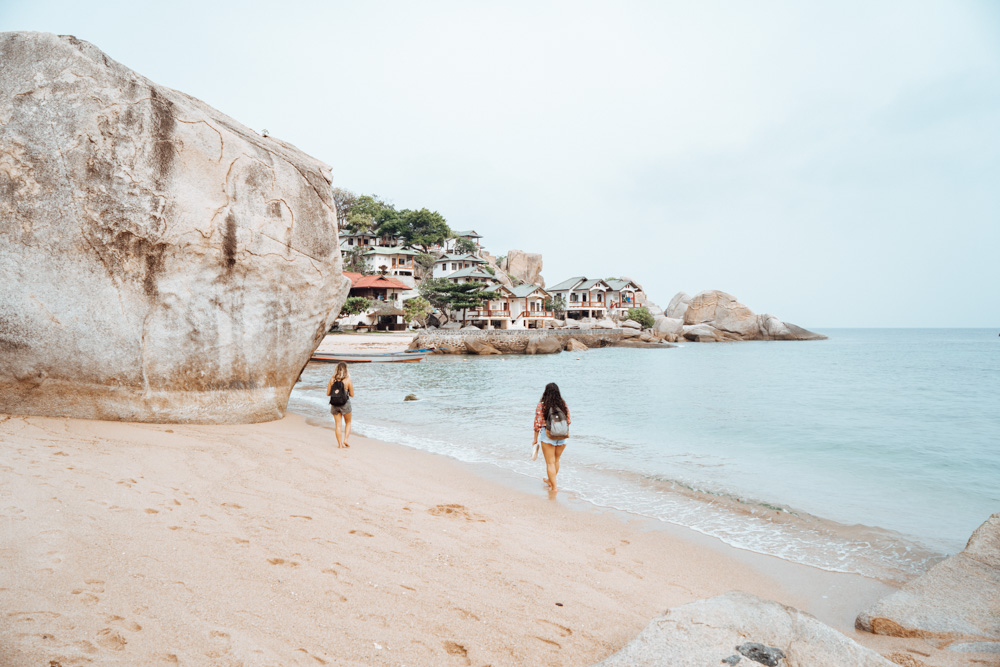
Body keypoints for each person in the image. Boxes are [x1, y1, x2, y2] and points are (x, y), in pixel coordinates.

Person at [532, 382, 571, 493]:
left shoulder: (542, 405)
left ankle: (554, 488)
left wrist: (535, 439)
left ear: (546, 392)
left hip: (548, 435)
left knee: (550, 463)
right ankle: (550, 480)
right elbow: (568, 421)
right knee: (556, 461)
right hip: (562, 436)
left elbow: (537, 424)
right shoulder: (563, 404)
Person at [326, 362, 354, 449]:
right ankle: (345, 439)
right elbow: (352, 394)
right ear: (346, 370)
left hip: (334, 404)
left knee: (338, 425)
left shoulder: (332, 380)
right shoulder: (348, 380)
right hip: (345, 404)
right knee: (348, 422)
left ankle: (340, 445)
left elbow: (328, 393)